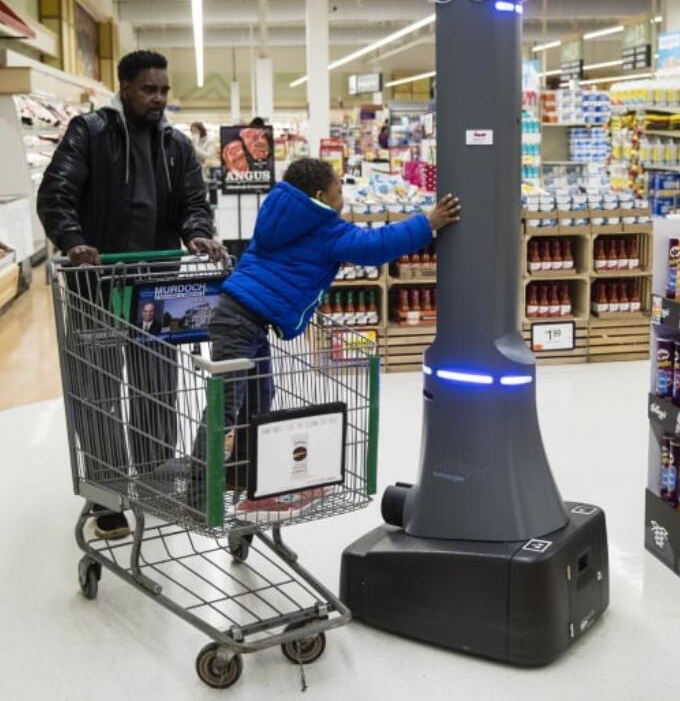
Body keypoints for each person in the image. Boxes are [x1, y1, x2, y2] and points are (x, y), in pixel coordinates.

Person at [200, 158, 461, 521]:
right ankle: (200, 485)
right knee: (226, 403)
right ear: (321, 196)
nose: (344, 196)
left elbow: (295, 257)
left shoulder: (279, 213)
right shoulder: (327, 230)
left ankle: (240, 473)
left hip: (243, 315)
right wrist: (427, 223)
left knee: (258, 398)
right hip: (245, 320)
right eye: (340, 190)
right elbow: (376, 245)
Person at [38, 49, 226, 540]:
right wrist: (73, 240)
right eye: (149, 89)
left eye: (163, 89)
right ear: (124, 87)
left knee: (156, 385)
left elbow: (192, 202)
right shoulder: (91, 132)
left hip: (156, 287)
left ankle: (155, 477)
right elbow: (55, 192)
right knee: (98, 392)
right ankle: (106, 495)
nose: (159, 98)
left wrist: (197, 233)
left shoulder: (176, 145)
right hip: (95, 285)